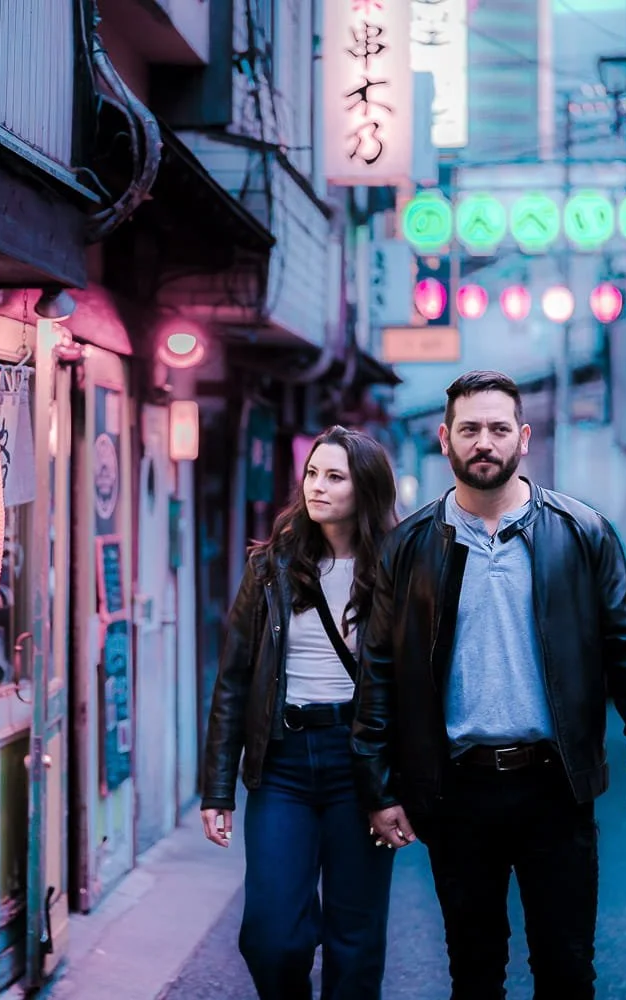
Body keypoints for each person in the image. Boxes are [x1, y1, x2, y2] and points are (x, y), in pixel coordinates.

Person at [351, 370, 626, 1000]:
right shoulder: (408, 546)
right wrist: (378, 785)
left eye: (499, 429)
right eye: (469, 429)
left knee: (566, 969)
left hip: (556, 786)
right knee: (474, 973)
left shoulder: (582, 533)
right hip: (457, 790)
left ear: (523, 439)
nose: (484, 442)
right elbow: (381, 669)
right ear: (445, 440)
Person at [201, 426, 400, 1000]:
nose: (317, 486)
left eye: (334, 476)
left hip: (358, 764)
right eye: (313, 473)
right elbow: (234, 679)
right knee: (271, 937)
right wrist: (217, 790)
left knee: (355, 941)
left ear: (364, 489)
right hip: (283, 764)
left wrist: (402, 783)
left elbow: (417, 682)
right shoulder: (271, 567)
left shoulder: (396, 570)